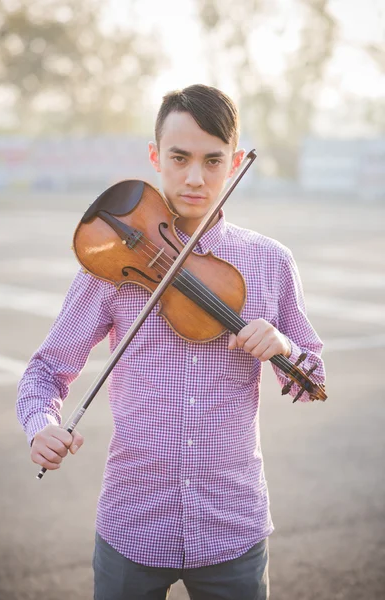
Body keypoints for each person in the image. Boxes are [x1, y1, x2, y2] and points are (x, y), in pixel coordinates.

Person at [17, 84, 326, 600]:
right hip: (133, 522)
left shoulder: (270, 262)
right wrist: (41, 425)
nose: (194, 178)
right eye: (180, 158)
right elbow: (47, 370)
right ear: (155, 157)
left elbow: (312, 380)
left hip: (233, 522)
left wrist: (286, 349)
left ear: (234, 163)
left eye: (213, 161)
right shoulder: (114, 264)